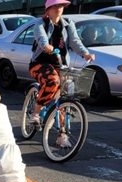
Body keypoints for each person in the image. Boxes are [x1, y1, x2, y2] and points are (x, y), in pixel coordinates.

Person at [28, 0, 95, 146]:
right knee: (52, 81)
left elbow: (75, 42)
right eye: (55, 6)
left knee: (66, 94)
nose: (59, 9)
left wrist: (85, 54)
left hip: (61, 65)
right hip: (40, 64)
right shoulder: (40, 23)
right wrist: (46, 46)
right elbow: (41, 37)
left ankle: (62, 134)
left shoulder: (68, 24)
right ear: (48, 9)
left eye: (61, 6)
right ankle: (36, 112)